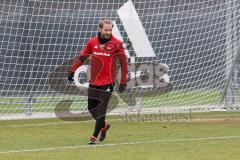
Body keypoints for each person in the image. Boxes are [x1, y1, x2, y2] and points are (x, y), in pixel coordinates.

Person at [68, 18, 128, 144]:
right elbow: (82, 57)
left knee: (101, 110)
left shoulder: (117, 43)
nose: (108, 32)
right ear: (100, 29)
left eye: (110, 30)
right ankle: (104, 126)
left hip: (108, 82)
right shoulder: (92, 42)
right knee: (91, 108)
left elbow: (124, 63)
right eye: (106, 30)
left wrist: (123, 81)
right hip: (94, 81)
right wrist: (72, 70)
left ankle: (93, 137)